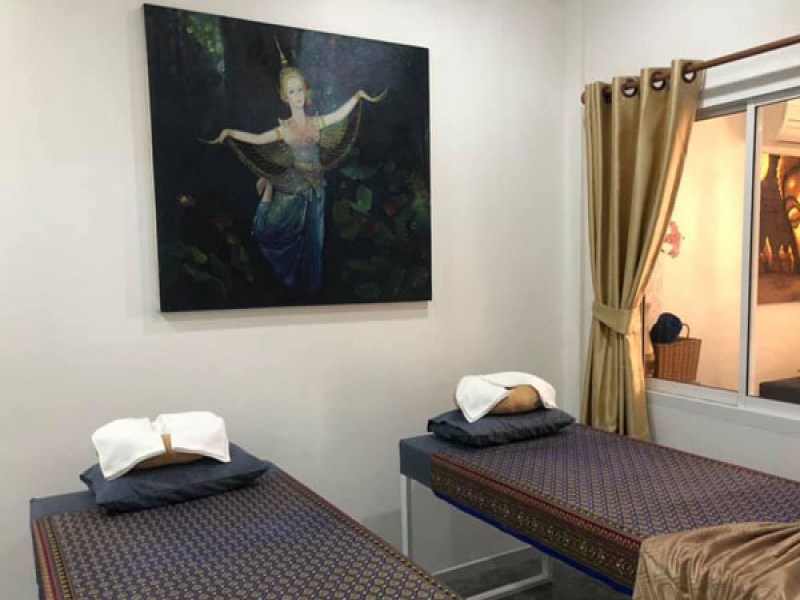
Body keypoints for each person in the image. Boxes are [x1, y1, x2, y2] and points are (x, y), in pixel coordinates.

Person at [206, 40, 386, 295]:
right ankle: (268, 189)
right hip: (293, 188)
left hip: (317, 189)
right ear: (284, 96)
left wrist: (357, 97)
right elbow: (258, 139)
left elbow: (338, 116)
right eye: (292, 91)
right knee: (268, 231)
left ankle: (310, 289)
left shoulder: (316, 122)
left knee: (315, 242)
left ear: (306, 91)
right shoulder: (284, 129)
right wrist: (230, 132)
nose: (298, 95)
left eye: (300, 89)